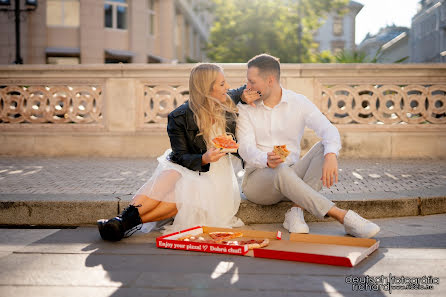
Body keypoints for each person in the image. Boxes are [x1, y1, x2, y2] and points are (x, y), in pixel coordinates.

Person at [233, 54, 380, 238]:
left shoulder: (298, 102)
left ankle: (296, 211)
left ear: (270, 80)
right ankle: (342, 216)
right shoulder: (246, 108)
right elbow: (244, 148)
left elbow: (328, 129)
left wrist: (331, 155)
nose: (247, 87)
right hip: (258, 182)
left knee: (324, 148)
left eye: (252, 82)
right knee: (280, 169)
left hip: (292, 175)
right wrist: (266, 159)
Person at [97, 63, 244, 241]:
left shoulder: (226, 103)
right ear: (207, 87)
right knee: (170, 174)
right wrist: (203, 158)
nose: (227, 87)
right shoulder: (179, 116)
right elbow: (180, 156)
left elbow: (246, 88)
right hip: (189, 165)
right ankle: (121, 221)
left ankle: (122, 223)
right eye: (222, 84)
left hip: (216, 177)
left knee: (185, 192)